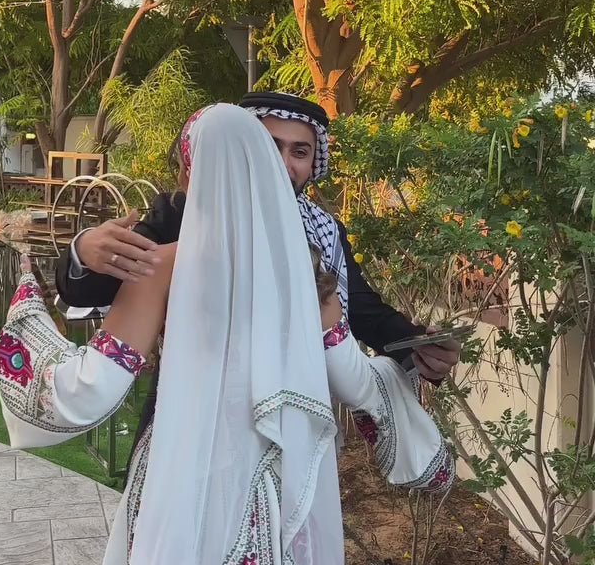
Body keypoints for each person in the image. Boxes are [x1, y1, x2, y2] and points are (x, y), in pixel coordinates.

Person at [0, 105, 454, 565]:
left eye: (301, 151)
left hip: (184, 478)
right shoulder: (309, 274)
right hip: (288, 493)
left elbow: (86, 392)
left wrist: (26, 322)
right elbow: (355, 382)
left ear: (195, 165)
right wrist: (398, 380)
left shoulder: (165, 266)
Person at [55, 91, 460, 456]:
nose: (283, 163)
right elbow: (103, 285)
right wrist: (85, 251)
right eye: (269, 146)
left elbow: (365, 313)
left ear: (312, 164)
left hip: (294, 434)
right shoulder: (183, 214)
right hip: (189, 430)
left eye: (299, 152)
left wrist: (418, 346)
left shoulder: (323, 230)